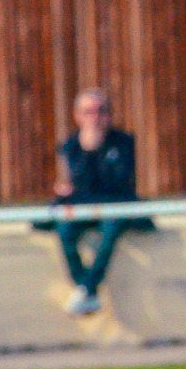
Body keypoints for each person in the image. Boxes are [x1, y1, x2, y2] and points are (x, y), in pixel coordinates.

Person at [52, 89, 140, 315]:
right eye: (88, 112)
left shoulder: (123, 142)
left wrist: (95, 150)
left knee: (111, 230)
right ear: (77, 116)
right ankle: (87, 289)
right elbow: (73, 182)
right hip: (83, 210)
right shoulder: (71, 146)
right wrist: (87, 152)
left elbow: (118, 182)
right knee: (64, 228)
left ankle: (86, 289)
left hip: (112, 208)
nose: (95, 118)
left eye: (101, 111)